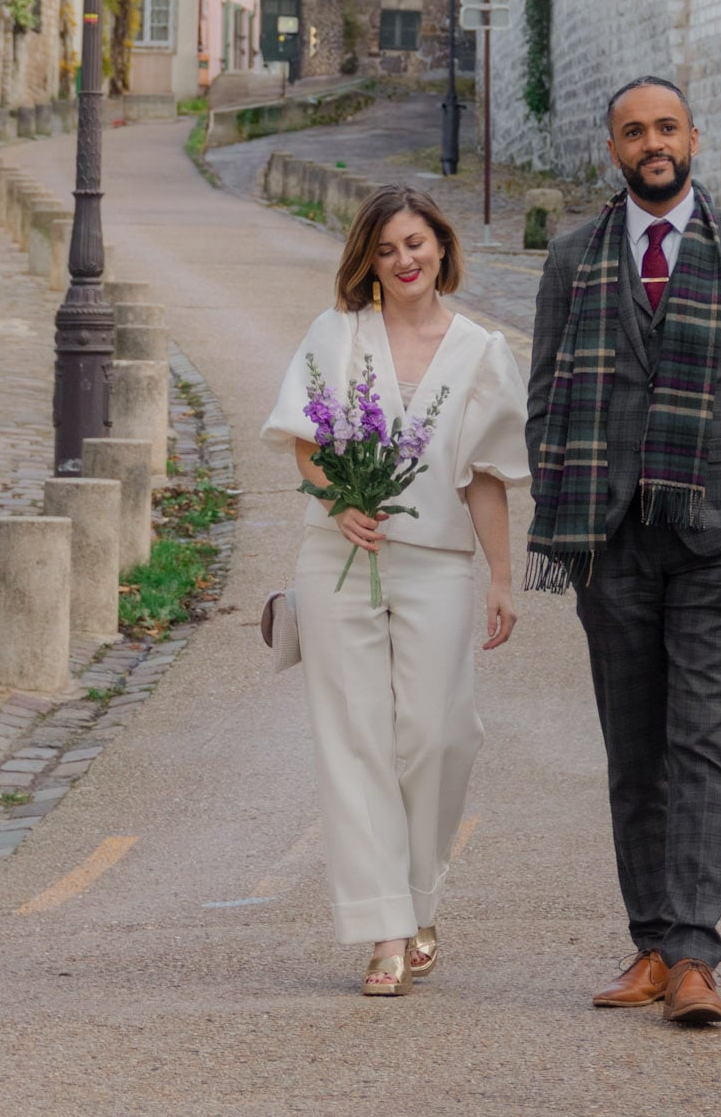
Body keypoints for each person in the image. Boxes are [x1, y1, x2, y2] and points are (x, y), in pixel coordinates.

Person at [524, 77, 721, 1028]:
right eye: (633, 131)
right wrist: (568, 502)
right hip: (607, 544)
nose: (652, 143)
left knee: (700, 738)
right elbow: (544, 400)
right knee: (632, 748)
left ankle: (694, 953)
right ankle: (649, 941)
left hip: (718, 538)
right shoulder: (573, 260)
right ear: (613, 148)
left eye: (666, 127)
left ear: (693, 138)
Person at [261, 184, 527, 998]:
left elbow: (484, 476)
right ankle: (384, 929)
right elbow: (305, 440)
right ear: (366, 263)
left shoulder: (482, 351)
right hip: (338, 553)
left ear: (441, 247)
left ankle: (418, 899)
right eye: (385, 249)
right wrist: (338, 499)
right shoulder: (336, 336)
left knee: (440, 734)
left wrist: (501, 577)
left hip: (436, 560)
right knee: (355, 738)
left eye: (415, 243)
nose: (403, 260)